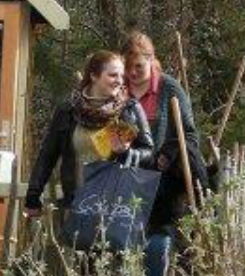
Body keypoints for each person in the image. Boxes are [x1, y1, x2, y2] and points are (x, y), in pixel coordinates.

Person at [23, 49, 154, 224]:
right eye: (113, 75)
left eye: (121, 76)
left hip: (116, 206)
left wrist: (126, 153)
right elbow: (47, 154)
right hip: (76, 201)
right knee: (74, 249)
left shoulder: (129, 109)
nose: (120, 81)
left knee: (110, 251)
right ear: (94, 76)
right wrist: (33, 196)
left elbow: (149, 153)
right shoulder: (67, 110)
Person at [121, 32, 209, 276]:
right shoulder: (119, 90)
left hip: (163, 180)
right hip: (128, 176)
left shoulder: (169, 88)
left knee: (158, 241)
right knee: (121, 240)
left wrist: (167, 154)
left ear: (151, 61)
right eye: (128, 66)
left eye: (139, 66)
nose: (133, 72)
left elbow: (189, 134)